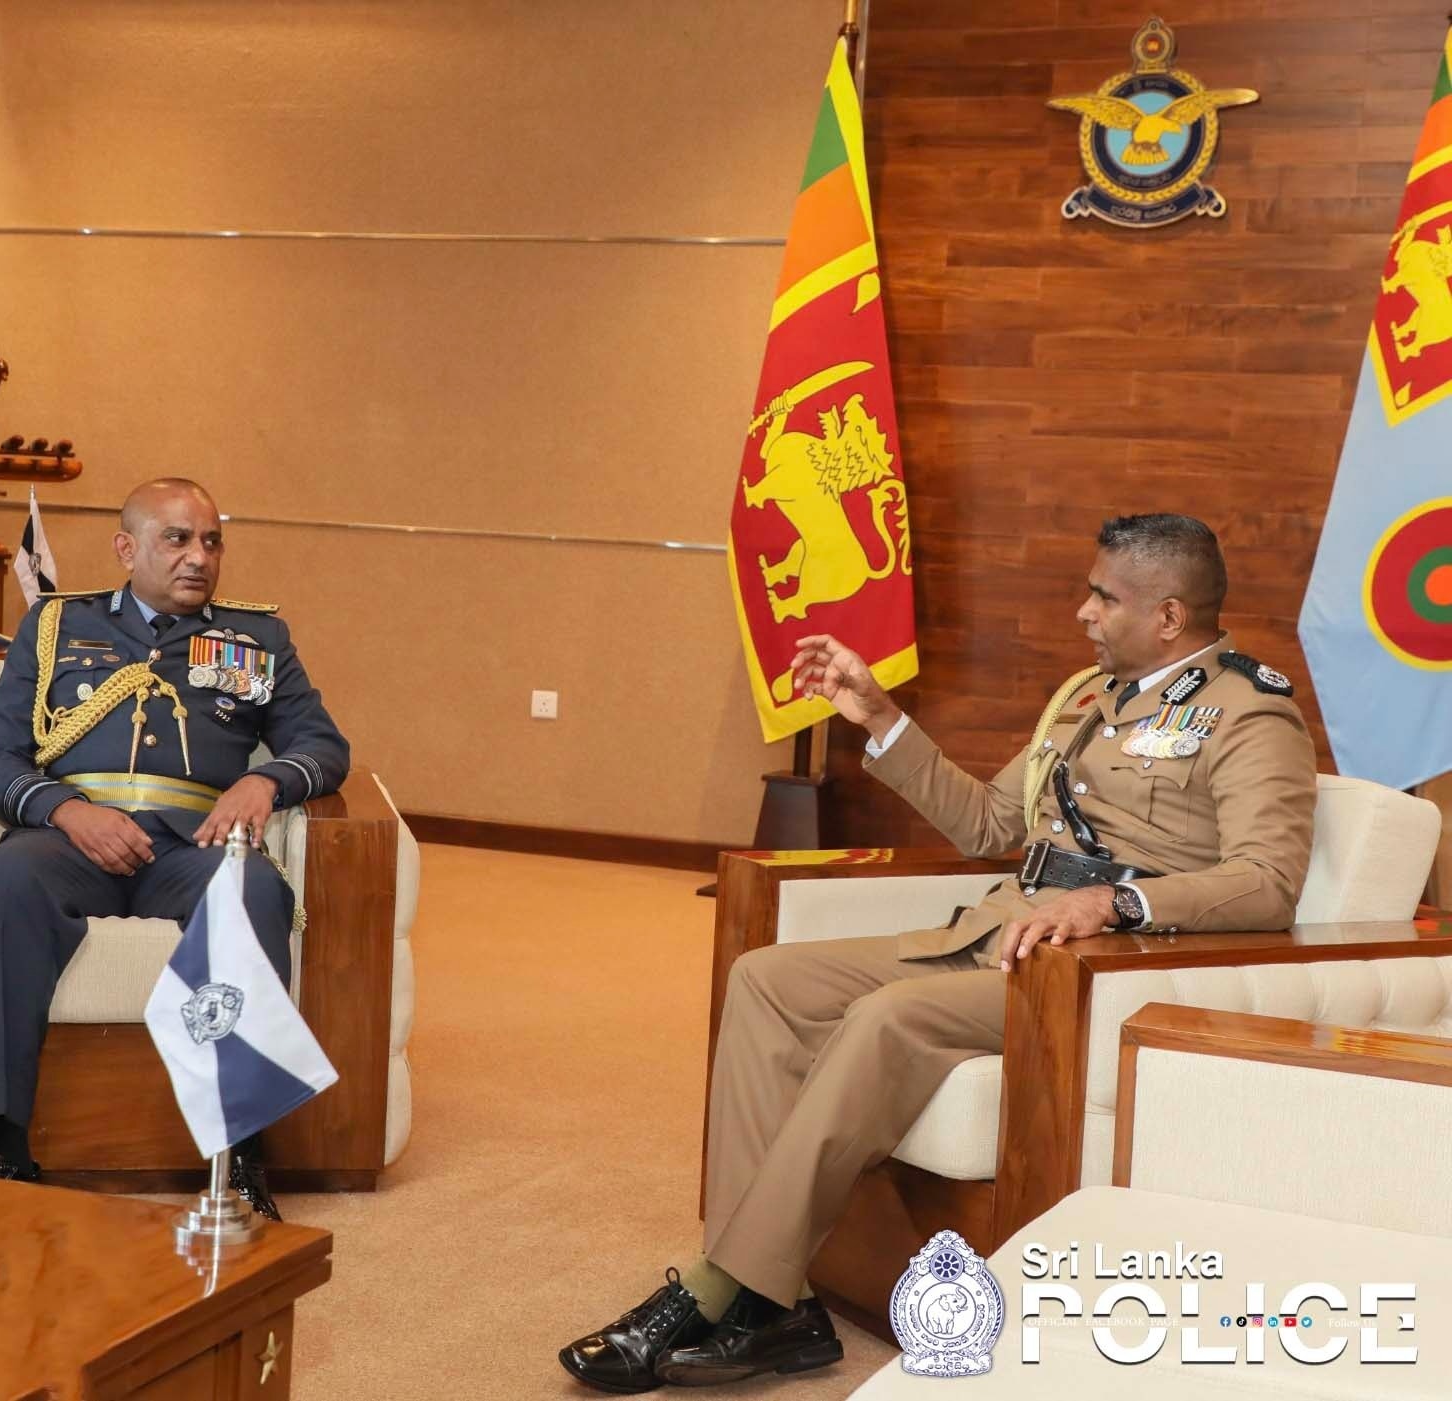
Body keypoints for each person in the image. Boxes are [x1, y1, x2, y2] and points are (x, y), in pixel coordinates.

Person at [558, 513, 1317, 1391]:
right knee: (765, 979)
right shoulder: (1089, 698)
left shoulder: (1251, 711)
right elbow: (990, 824)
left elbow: (1267, 881)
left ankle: (720, 1288)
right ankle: (781, 1302)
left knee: (888, 1016)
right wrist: (881, 717)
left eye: (1104, 597)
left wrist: (1112, 901)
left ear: (1170, 616)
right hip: (999, 934)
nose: (1084, 612)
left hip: (1094, 972)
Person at [0, 477, 350, 1220]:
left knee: (252, 889)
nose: (198, 556)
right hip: (70, 841)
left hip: (193, 846)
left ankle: (238, 1158)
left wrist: (264, 781)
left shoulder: (257, 639)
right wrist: (67, 810)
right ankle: (2, 1145)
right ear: (126, 547)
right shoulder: (56, 625)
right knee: (4, 878)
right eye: (176, 538)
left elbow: (323, 746)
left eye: (211, 541)